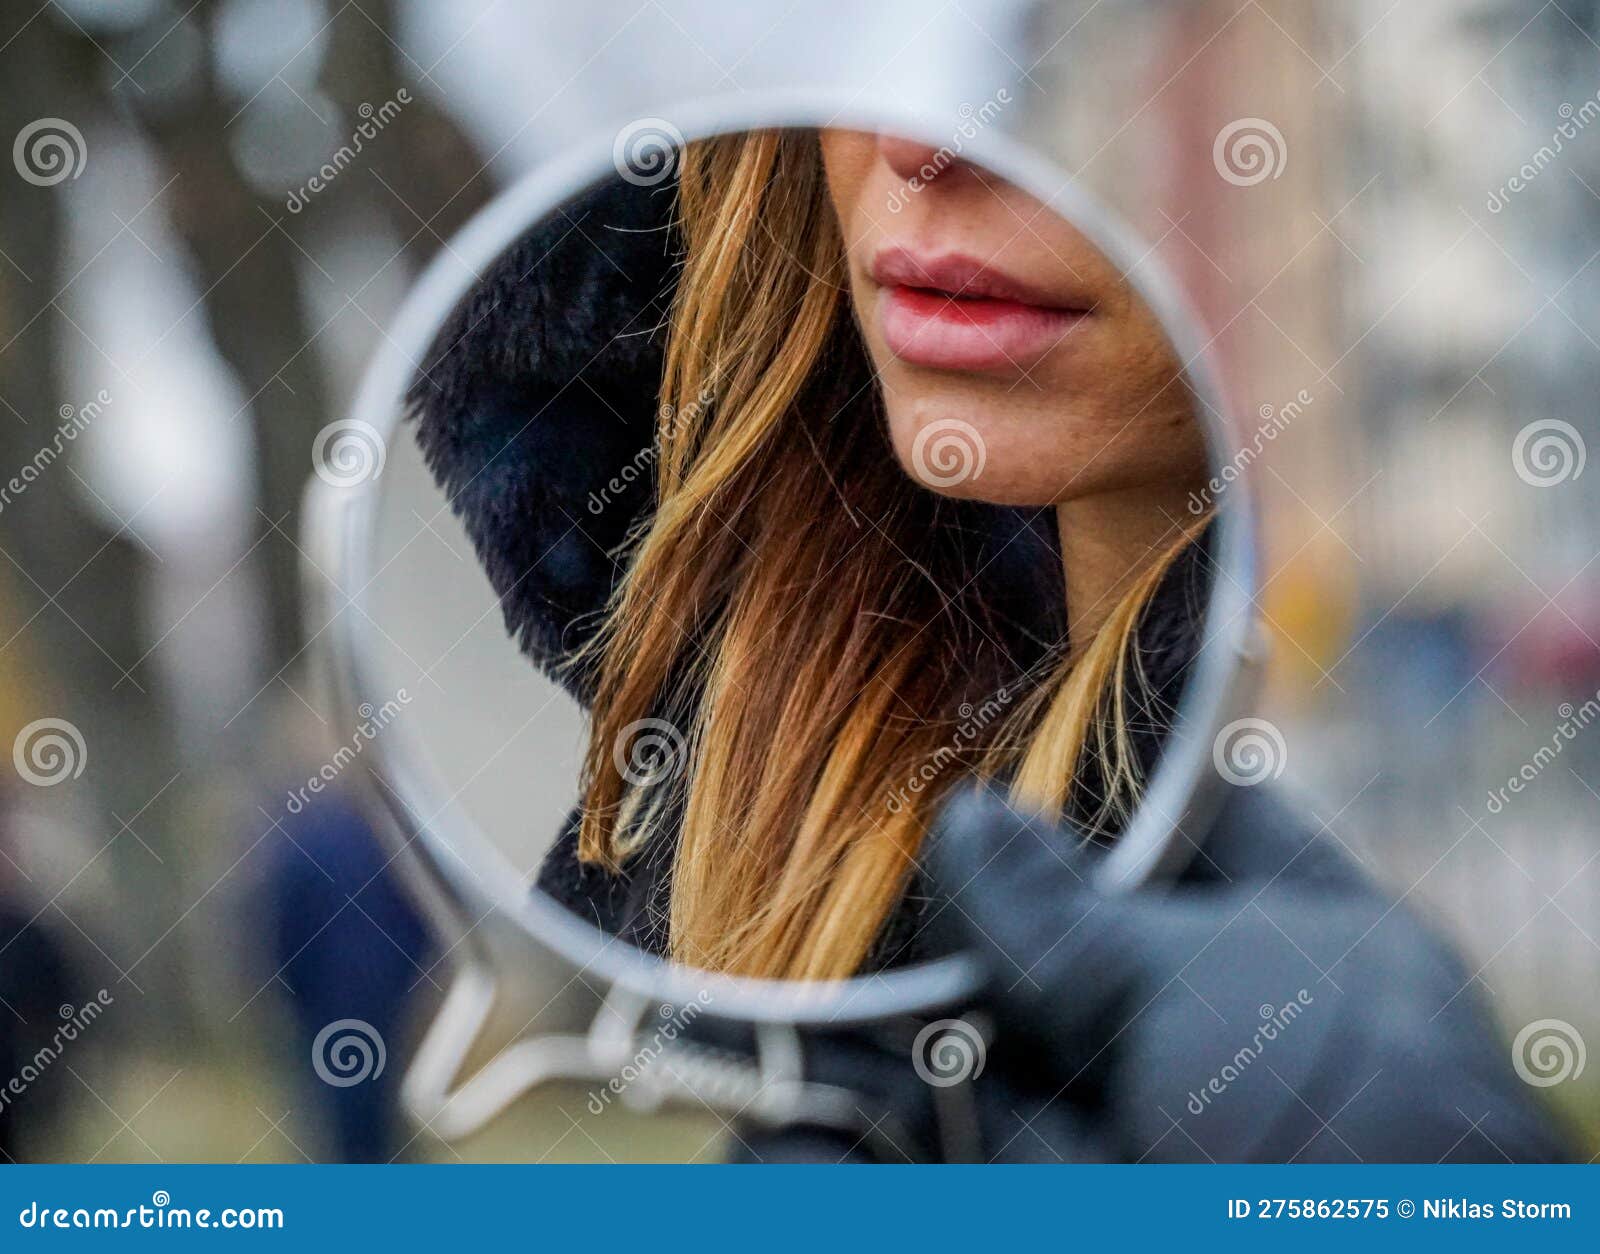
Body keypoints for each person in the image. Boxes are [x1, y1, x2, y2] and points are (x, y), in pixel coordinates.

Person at [411, 129, 1570, 1161]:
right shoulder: (742, 772)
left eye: (1039, 70)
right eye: (879, 53)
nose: (925, 152)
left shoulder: (1321, 992)